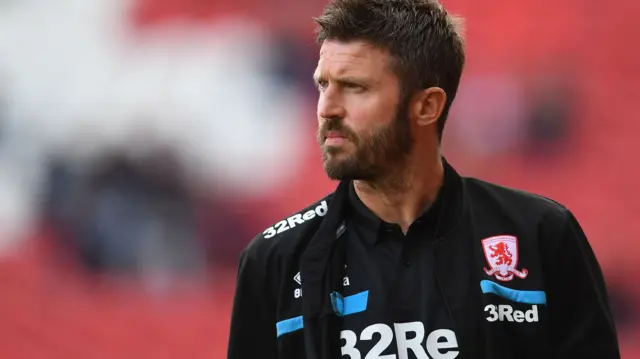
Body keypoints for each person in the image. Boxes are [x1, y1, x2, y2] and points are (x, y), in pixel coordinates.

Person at [227, 0, 620, 358]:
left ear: (427, 106)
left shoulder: (541, 235)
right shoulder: (275, 260)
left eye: (355, 88)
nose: (327, 108)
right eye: (323, 85)